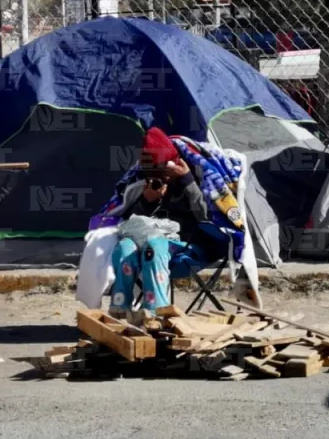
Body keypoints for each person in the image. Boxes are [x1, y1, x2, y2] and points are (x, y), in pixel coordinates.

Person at [90, 127, 252, 316]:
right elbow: (130, 223)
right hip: (152, 250)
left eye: (163, 173)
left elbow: (207, 217)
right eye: (153, 175)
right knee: (125, 246)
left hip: (193, 248)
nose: (159, 179)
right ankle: (120, 307)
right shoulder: (144, 183)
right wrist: (146, 202)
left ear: (174, 165)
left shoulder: (196, 178)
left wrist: (187, 182)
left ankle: (156, 310)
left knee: (154, 245)